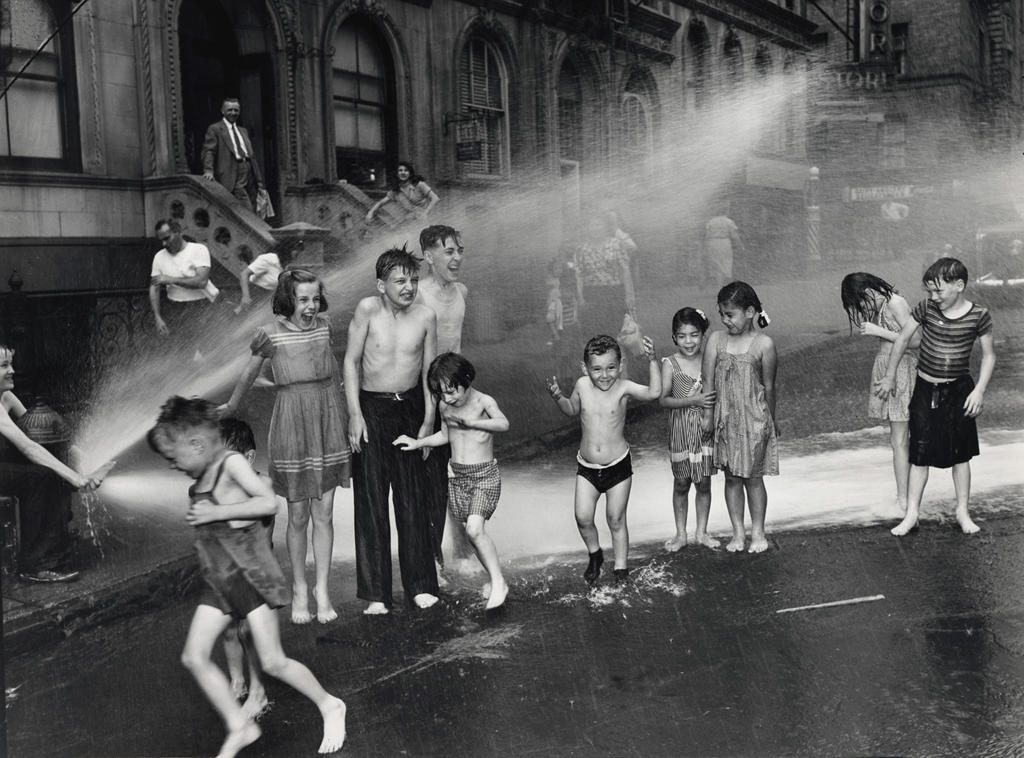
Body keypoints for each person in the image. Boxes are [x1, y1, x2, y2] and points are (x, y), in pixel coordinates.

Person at [147, 397, 346, 758]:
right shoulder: (201, 476)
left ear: (196, 444)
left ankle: (330, 704)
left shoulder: (231, 463)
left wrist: (217, 512)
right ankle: (240, 726)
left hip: (251, 576)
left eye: (175, 458)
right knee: (194, 656)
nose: (174, 466)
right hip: (220, 581)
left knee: (273, 661)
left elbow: (267, 503)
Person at [219, 269, 350, 625]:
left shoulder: (325, 326)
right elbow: (248, 374)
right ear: (288, 300)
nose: (310, 306)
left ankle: (322, 590)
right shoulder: (270, 334)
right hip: (292, 422)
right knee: (298, 515)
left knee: (323, 513)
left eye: (314, 298)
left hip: (326, 422)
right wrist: (231, 407)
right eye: (302, 299)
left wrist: (348, 418)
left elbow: (334, 372)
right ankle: (299, 589)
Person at [343, 246, 439, 615]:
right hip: (371, 408)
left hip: (411, 409)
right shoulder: (368, 310)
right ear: (381, 284)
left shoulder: (426, 316)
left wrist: (429, 422)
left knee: (413, 498)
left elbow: (431, 372)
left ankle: (420, 584)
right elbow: (351, 362)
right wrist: (354, 414)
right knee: (371, 502)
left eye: (413, 279)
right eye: (400, 280)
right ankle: (376, 593)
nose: (409, 286)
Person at [874, 257, 996, 537]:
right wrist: (890, 375)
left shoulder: (979, 315)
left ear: (959, 285)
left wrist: (979, 390)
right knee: (920, 454)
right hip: (925, 389)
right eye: (930, 291)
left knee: (961, 455)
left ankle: (962, 512)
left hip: (959, 391)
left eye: (939, 291)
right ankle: (912, 514)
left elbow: (989, 355)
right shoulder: (926, 308)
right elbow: (903, 339)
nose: (934, 296)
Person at [393, 352, 510, 610]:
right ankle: (494, 579)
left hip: (484, 477)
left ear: (466, 379)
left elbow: (504, 424)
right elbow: (446, 435)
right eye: (441, 394)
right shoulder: (446, 406)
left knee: (474, 530)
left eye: (452, 391)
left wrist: (475, 423)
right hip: (457, 478)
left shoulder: (482, 401)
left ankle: (499, 582)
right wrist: (419, 442)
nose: (447, 399)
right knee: (473, 534)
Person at [546, 334, 661, 584]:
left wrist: (652, 359)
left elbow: (654, 393)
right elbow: (572, 410)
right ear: (584, 368)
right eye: (597, 369)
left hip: (617, 466)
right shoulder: (581, 385)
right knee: (583, 517)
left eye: (611, 367)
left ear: (620, 365)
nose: (605, 375)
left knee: (615, 519)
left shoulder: (624, 387)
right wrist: (558, 397)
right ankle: (595, 554)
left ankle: (620, 568)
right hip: (587, 467)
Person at [0, 343, 112, 582]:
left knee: (53, 465)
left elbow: (41, 433)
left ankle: (56, 544)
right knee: (43, 476)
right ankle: (34, 564)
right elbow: (28, 447)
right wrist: (74, 478)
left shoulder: (6, 396)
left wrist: (80, 461)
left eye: (11, 363)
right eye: (4, 365)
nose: (12, 370)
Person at [415, 225, 475, 579]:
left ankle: (463, 549)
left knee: (463, 473)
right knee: (432, 480)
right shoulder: (418, 294)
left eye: (459, 251)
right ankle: (432, 559)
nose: (457, 258)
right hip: (427, 396)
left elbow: (458, 347)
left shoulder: (463, 290)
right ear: (429, 256)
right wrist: (427, 412)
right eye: (449, 251)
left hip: (457, 394)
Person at [701, 281, 778, 554]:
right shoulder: (716, 340)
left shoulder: (763, 344)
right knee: (731, 477)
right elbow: (708, 381)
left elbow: (768, 386)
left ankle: (758, 530)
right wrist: (708, 416)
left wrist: (772, 421)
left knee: (753, 477)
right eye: (722, 314)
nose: (725, 320)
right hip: (725, 420)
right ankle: (737, 532)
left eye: (730, 314)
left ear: (750, 311)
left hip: (754, 419)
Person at [841, 273, 921, 516]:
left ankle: (905, 500)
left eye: (861, 302)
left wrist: (880, 331)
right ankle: (905, 496)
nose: (862, 308)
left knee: (899, 439)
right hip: (887, 367)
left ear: (869, 291)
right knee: (897, 438)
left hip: (900, 369)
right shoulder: (882, 305)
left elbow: (916, 340)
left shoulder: (895, 303)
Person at [219, 417, 273, 719]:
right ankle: (237, 679)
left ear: (248, 458)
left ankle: (258, 688)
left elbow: (262, 538)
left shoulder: (261, 487)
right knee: (229, 628)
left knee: (250, 631)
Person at [658, 307, 718, 551]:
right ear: (674, 337)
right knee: (681, 483)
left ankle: (701, 532)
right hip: (681, 430)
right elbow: (663, 400)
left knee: (704, 483)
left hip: (704, 429)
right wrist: (692, 401)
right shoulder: (670, 364)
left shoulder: (710, 361)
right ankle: (680, 534)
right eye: (682, 336)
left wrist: (710, 416)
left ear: (703, 334)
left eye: (694, 335)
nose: (688, 341)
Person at [149, 219, 220, 339]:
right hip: (176, 309)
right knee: (182, 351)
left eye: (167, 238)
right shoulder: (159, 257)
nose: (164, 244)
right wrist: (157, 317)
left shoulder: (198, 249)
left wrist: (172, 280)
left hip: (204, 306)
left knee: (209, 350)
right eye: (161, 240)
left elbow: (202, 282)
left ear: (178, 232)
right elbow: (154, 287)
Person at [573, 210, 637, 338]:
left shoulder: (616, 244)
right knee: (594, 330)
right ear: (587, 228)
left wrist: (629, 295)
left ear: (604, 226)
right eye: (592, 225)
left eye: (598, 224)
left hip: (613, 293)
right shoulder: (582, 249)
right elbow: (579, 275)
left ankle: (618, 356)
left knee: (616, 329)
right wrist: (580, 297)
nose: (595, 228)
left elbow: (625, 271)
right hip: (592, 294)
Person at [201, 97, 265, 211]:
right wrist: (208, 170)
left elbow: (251, 155)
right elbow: (209, 151)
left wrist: (259, 180)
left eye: (236, 110)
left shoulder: (243, 131)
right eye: (230, 110)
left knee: (254, 203)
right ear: (223, 111)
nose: (233, 113)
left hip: (249, 169)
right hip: (232, 170)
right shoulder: (215, 129)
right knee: (245, 206)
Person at [364, 161, 440, 224]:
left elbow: (435, 198)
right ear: (397, 174)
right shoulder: (396, 190)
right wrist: (370, 213)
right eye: (400, 170)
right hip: (409, 221)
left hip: (424, 220)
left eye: (406, 170)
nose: (403, 173)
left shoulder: (419, 185)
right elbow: (381, 202)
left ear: (410, 173)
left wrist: (426, 213)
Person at [234, 248, 292, 315]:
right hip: (266, 296)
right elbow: (244, 275)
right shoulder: (264, 261)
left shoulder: (261, 262)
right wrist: (244, 298)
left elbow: (244, 274)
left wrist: (245, 297)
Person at [702, 212, 743, 288]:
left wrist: (705, 247)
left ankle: (719, 285)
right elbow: (734, 235)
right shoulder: (728, 221)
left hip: (713, 242)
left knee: (717, 265)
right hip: (725, 243)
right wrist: (740, 244)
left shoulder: (711, 221)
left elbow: (707, 235)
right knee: (726, 263)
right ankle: (724, 284)